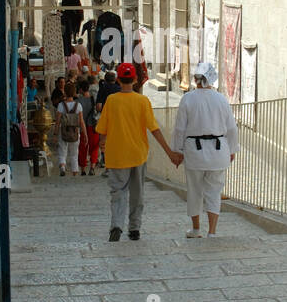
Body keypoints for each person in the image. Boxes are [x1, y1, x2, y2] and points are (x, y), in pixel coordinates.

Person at [96, 62, 181, 241]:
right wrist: (169, 153)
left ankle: (117, 225)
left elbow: (102, 130)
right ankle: (134, 228)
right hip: (138, 154)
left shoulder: (111, 101)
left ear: (118, 80)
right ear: (135, 80)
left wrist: (102, 146)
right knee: (138, 192)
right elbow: (155, 129)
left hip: (116, 155)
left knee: (118, 192)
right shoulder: (142, 101)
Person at [171, 61, 239, 238]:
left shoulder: (188, 99)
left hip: (194, 152)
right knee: (214, 192)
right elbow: (232, 128)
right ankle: (212, 231)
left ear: (195, 79)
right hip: (218, 152)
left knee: (194, 191)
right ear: (212, 78)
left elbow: (180, 129)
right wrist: (231, 149)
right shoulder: (221, 99)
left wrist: (177, 150)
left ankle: (195, 229)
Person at [56, 79, 86, 177]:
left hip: (63, 130)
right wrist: (85, 134)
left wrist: (55, 132)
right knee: (74, 153)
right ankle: (74, 172)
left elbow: (57, 121)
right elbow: (81, 122)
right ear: (74, 92)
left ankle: (63, 167)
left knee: (62, 150)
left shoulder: (61, 105)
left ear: (65, 92)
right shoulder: (78, 106)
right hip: (75, 131)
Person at [95, 69, 119, 175]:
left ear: (105, 79)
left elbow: (99, 107)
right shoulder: (120, 89)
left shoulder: (103, 89)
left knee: (104, 141)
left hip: (106, 118)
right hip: (118, 119)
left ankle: (106, 163)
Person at [76, 77, 99, 176]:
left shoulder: (78, 101)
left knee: (82, 148)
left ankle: (83, 169)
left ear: (80, 89)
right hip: (93, 126)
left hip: (82, 127)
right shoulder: (93, 99)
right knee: (94, 147)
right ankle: (92, 167)